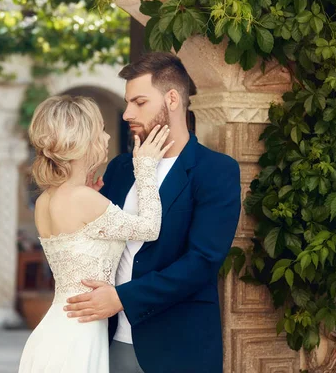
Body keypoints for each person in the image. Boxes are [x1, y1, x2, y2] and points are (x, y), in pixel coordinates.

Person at [63, 52, 242, 373]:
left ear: (172, 99)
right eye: (127, 102)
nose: (127, 113)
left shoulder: (215, 170)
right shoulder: (120, 168)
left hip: (179, 346)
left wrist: (123, 298)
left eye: (139, 102)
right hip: (109, 341)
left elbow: (202, 261)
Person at [17, 94, 173, 373]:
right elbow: (149, 228)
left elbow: (79, 233)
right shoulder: (82, 199)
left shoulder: (46, 200)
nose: (108, 134)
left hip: (57, 330)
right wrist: (146, 168)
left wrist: (91, 193)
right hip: (77, 338)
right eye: (100, 128)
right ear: (82, 140)